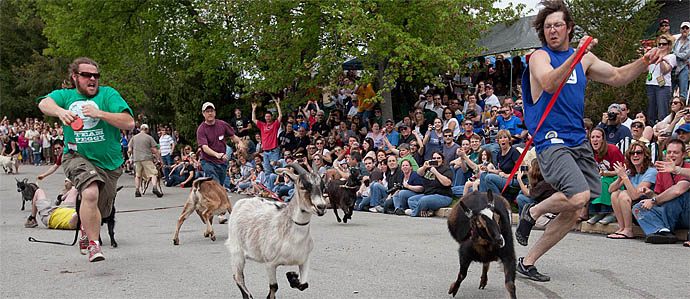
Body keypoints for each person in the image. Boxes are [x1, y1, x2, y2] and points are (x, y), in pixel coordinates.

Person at [515, 0, 664, 281]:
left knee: (575, 210)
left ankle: (528, 261)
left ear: (569, 28)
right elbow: (549, 83)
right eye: (547, 27)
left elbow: (618, 76)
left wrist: (645, 62)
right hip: (551, 139)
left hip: (577, 140)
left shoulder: (584, 59)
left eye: (558, 24)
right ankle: (532, 210)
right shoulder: (539, 56)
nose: (552, 30)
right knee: (578, 196)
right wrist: (577, 54)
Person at [37, 57, 135, 262]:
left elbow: (129, 123)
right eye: (86, 75)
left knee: (101, 209)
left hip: (109, 163)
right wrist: (60, 112)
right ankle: (93, 245)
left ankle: (85, 228)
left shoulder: (108, 94)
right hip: (76, 156)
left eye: (95, 75)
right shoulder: (66, 96)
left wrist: (100, 113)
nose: (92, 79)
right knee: (90, 192)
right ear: (75, 77)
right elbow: (44, 103)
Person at [632, 139, 689, 244]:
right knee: (638, 207)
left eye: (676, 152)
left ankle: (661, 227)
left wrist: (653, 200)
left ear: (683, 154)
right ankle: (663, 232)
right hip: (669, 213)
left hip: (685, 214)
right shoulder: (662, 171)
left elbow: (678, 190)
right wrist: (650, 194)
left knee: (679, 197)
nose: (672, 155)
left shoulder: (687, 168)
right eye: (669, 152)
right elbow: (659, 199)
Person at [607, 142, 657, 239]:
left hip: (647, 208)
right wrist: (619, 177)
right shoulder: (631, 171)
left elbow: (635, 195)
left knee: (624, 194)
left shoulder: (651, 171)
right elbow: (611, 189)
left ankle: (628, 230)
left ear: (645, 155)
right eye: (632, 153)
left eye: (639, 152)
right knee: (615, 193)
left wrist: (625, 177)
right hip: (634, 207)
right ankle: (622, 228)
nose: (635, 155)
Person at [198, 102, 246, 185]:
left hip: (222, 161)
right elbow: (204, 147)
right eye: (207, 111)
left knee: (220, 185)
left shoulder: (222, 124)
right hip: (208, 161)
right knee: (215, 185)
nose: (210, 113)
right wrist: (216, 154)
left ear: (215, 112)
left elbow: (233, 136)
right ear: (203, 114)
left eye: (211, 111)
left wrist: (240, 142)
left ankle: (209, 197)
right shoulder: (201, 129)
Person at [406, 151, 454, 217]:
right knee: (411, 200)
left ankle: (414, 213)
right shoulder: (428, 168)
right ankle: (426, 211)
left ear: (442, 159)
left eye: (438, 158)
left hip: (443, 196)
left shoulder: (446, 169)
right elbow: (419, 173)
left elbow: (447, 183)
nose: (436, 160)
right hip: (428, 194)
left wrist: (436, 172)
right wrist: (424, 167)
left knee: (424, 200)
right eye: (434, 158)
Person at [645, 33, 676, 125]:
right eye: (660, 44)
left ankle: (661, 131)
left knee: (662, 112)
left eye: (664, 44)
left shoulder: (671, 56)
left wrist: (661, 60)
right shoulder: (653, 56)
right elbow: (646, 69)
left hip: (663, 86)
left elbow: (665, 71)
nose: (661, 46)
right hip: (650, 84)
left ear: (669, 45)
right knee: (650, 111)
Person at [129, 124, 163, 198]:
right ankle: (154, 187)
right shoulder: (149, 138)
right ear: (147, 129)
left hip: (137, 159)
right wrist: (159, 159)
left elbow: (129, 150)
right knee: (154, 173)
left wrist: (135, 154)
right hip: (147, 158)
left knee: (138, 175)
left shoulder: (134, 138)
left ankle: (137, 190)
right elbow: (155, 150)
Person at [251, 98, 282, 175]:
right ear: (264, 118)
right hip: (265, 152)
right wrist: (254, 109)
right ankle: (269, 186)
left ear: (271, 117)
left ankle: (277, 185)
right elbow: (253, 119)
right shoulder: (262, 125)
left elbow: (280, 115)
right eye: (266, 116)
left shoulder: (275, 125)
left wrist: (278, 105)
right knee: (267, 171)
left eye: (269, 116)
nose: (267, 118)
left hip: (273, 151)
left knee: (276, 169)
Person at [672, 21, 689, 100]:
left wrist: (674, 54)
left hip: (683, 68)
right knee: (670, 92)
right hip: (673, 68)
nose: (685, 30)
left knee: (683, 94)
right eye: (683, 28)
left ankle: (683, 111)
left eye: (687, 28)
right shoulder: (676, 41)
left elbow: (685, 56)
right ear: (680, 30)